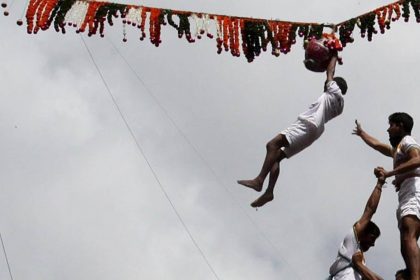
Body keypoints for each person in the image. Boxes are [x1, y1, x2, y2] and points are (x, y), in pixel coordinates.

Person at [237, 54, 348, 207]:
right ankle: (269, 192)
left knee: (272, 145)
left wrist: (334, 54)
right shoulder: (340, 106)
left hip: (307, 123)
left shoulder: (334, 90)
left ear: (337, 85)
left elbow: (330, 72)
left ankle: (259, 180)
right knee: (275, 157)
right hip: (314, 132)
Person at [353, 113, 420, 280]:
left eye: (391, 125)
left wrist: (392, 173)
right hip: (407, 192)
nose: (388, 129)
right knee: (406, 237)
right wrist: (362, 134)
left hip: (414, 191)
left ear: (401, 126)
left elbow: (418, 159)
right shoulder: (396, 150)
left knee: (408, 232)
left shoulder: (407, 142)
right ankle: (413, 274)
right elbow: (376, 144)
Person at [328, 172, 385, 280]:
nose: (373, 244)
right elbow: (370, 210)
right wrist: (380, 184)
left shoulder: (360, 262)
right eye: (372, 238)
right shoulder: (352, 243)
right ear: (363, 233)